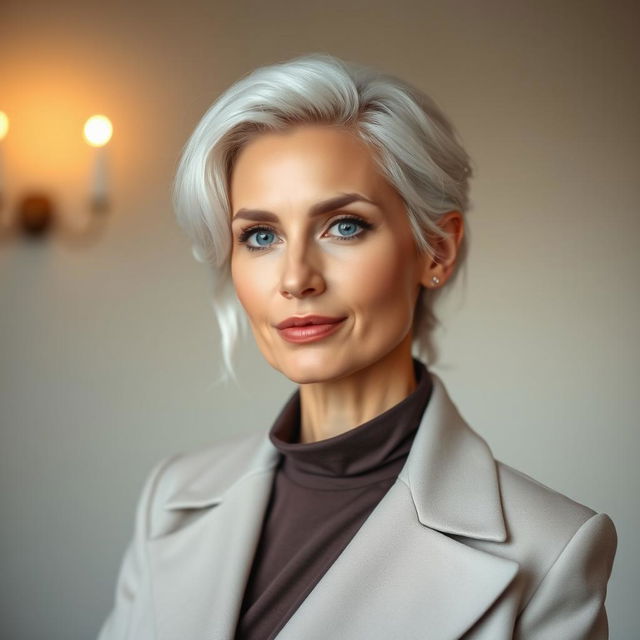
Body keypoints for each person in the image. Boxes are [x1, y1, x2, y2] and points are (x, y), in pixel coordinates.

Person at [98, 54, 617, 640]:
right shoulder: (171, 496)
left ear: (436, 251)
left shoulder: (550, 548)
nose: (295, 278)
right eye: (260, 236)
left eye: (344, 225)